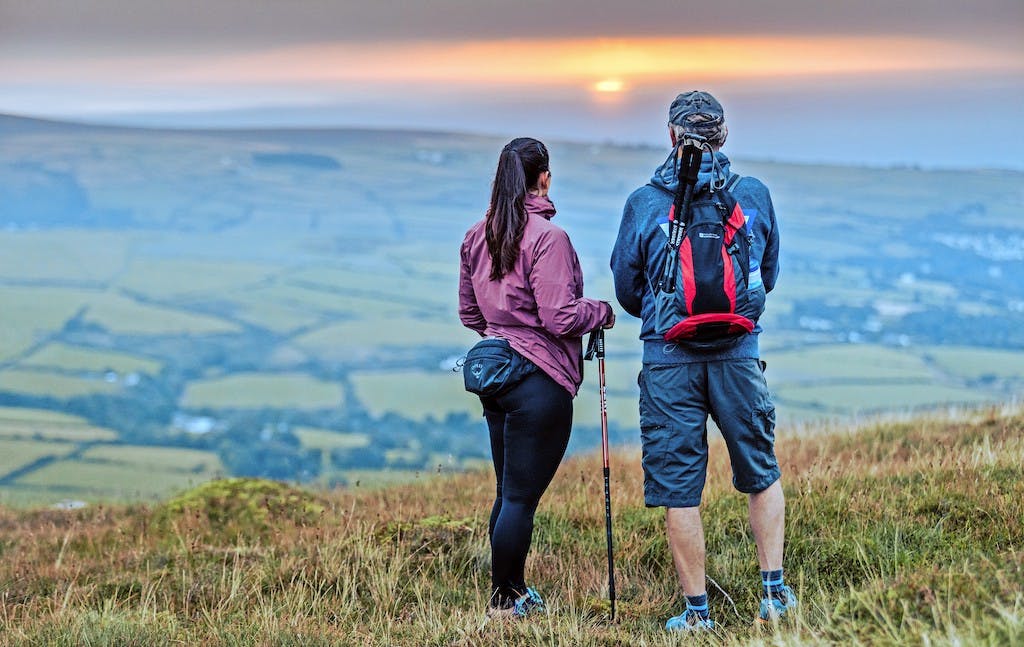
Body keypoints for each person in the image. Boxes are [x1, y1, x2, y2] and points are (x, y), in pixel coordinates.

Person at [610, 91, 794, 631]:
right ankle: (773, 596)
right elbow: (769, 273)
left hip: (669, 359)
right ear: (724, 136)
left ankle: (697, 613)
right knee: (760, 472)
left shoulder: (645, 203)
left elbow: (627, 288)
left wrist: (670, 309)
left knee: (679, 486)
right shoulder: (753, 195)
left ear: (671, 135)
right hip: (739, 354)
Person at [459, 137, 615, 618]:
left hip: (497, 376)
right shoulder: (549, 239)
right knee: (521, 498)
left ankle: (509, 592)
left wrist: (505, 330)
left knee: (507, 493)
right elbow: (560, 317)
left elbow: (470, 314)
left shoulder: (475, 236)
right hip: (540, 382)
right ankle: (507, 602)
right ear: (543, 177)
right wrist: (603, 312)